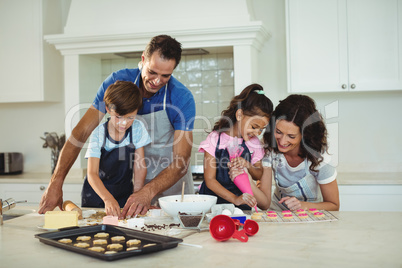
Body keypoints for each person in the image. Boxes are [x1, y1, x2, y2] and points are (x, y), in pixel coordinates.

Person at [39, 35, 196, 218]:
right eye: (152, 72)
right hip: (131, 187)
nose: (157, 80)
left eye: (165, 75)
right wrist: (56, 182)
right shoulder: (118, 83)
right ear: (143, 59)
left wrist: (147, 192)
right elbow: (81, 133)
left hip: (171, 190)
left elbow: (181, 160)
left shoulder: (181, 97)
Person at [198, 84, 273, 210]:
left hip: (242, 208)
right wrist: (234, 199)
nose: (257, 133)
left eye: (262, 129)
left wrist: (247, 164)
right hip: (212, 206)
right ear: (239, 115)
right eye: (254, 127)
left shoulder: (254, 143)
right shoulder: (215, 139)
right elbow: (210, 180)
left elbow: (258, 174)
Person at [82, 81, 151, 216]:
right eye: (118, 117)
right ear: (108, 109)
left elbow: (139, 166)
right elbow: (92, 174)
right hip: (96, 196)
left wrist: (137, 194)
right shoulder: (98, 134)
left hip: (123, 193)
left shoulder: (137, 128)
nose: (124, 123)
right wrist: (107, 198)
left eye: (130, 117)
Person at [262, 94, 339, 211]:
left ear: (305, 135)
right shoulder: (269, 146)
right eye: (278, 131)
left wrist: (303, 206)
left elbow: (334, 205)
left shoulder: (319, 157)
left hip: (310, 216)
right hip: (276, 213)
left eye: (291, 136)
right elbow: (263, 195)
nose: (282, 141)